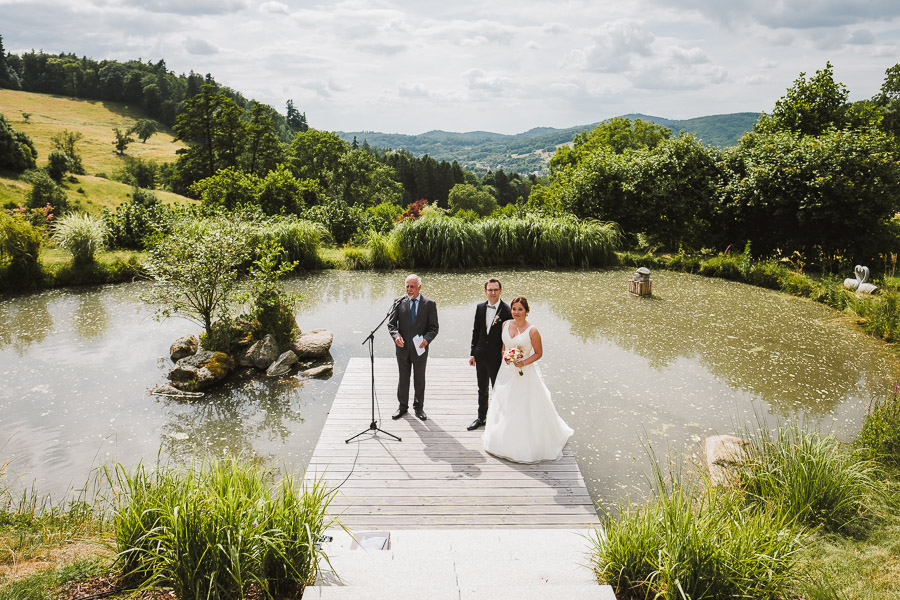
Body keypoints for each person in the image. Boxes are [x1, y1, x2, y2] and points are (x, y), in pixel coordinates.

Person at [483, 296, 573, 463]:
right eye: (514, 309)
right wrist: (507, 356)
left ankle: (523, 444)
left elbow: (539, 353)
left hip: (524, 372)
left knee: (522, 405)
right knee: (504, 403)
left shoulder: (532, 331)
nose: (516, 312)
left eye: (520, 309)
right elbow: (504, 347)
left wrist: (522, 362)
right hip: (506, 370)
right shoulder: (505, 324)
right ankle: (501, 440)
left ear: (526, 311)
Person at [387, 274, 439, 421]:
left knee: (419, 379)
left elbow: (434, 328)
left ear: (419, 287)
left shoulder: (429, 304)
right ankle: (402, 407)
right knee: (403, 378)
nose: (409, 289)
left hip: (420, 349)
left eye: (412, 286)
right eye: (407, 286)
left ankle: (419, 407)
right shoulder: (398, 302)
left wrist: (426, 339)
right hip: (402, 349)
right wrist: (396, 336)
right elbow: (391, 325)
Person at [467, 277, 512, 431]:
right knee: (482, 388)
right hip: (480, 355)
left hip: (497, 357)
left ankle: (499, 419)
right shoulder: (480, 307)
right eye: (490, 290)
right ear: (485, 291)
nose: (492, 293)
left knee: (498, 388)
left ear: (500, 291)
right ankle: (481, 418)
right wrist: (473, 353)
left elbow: (509, 335)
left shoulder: (507, 311)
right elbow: (476, 331)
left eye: (495, 290)